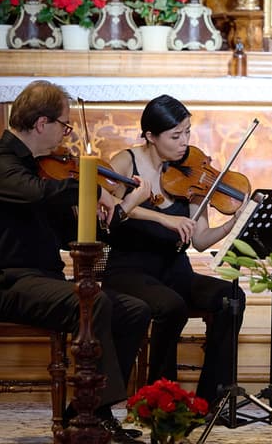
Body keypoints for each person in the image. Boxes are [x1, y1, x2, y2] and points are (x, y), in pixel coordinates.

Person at [0, 80, 153, 443]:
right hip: (1, 284)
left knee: (134, 310)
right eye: (64, 125)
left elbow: (73, 235)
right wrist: (91, 188)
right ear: (41, 123)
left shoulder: (38, 169)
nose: (67, 134)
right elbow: (38, 195)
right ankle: (90, 417)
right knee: (94, 302)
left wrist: (121, 206)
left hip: (37, 281)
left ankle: (86, 412)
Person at [99, 94, 246, 408]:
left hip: (175, 272)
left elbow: (201, 239)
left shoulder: (190, 170)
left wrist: (233, 224)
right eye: (176, 135)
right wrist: (163, 218)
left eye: (188, 132)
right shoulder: (126, 161)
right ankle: (159, 399)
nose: (184, 142)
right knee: (171, 305)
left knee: (231, 298)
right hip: (129, 271)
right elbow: (110, 208)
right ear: (151, 136)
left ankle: (210, 400)